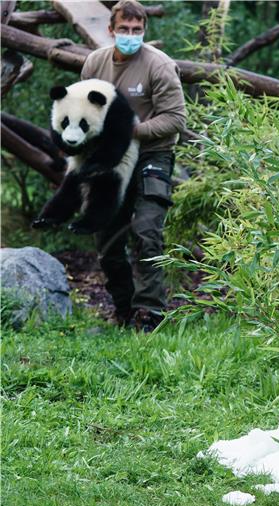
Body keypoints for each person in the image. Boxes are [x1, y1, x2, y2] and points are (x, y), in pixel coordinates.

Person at [81, 0, 186, 331]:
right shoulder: (94, 63)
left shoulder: (159, 65)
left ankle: (149, 312)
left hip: (152, 154)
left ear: (144, 31)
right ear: (110, 30)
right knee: (107, 237)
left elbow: (176, 118)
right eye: (123, 30)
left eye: (137, 30)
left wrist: (133, 130)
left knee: (146, 231)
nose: (130, 35)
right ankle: (124, 308)